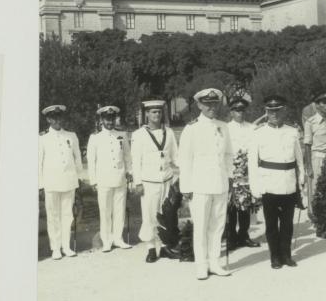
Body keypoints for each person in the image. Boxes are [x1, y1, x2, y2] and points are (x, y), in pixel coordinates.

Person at [178, 88, 234, 280]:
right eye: (207, 104)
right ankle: (201, 265)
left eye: (214, 103)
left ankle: (215, 262)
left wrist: (230, 178)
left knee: (217, 226)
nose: (211, 107)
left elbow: (228, 155)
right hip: (199, 185)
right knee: (201, 226)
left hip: (220, 183)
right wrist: (186, 188)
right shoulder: (191, 129)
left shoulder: (223, 126)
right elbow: (185, 160)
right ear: (199, 105)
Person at [248, 95, 305, 269]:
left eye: (277, 111)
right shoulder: (258, 133)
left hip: (288, 183)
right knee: (271, 225)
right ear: (266, 112)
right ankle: (275, 257)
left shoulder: (292, 132)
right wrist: (255, 188)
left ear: (284, 111)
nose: (274, 114)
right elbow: (252, 163)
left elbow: (299, 159)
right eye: (270, 111)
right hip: (269, 184)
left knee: (287, 224)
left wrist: (301, 180)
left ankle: (286, 255)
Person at [131, 100, 179, 263]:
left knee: (167, 214)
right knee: (150, 216)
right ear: (146, 115)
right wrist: (138, 183)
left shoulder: (170, 132)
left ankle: (165, 247)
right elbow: (136, 161)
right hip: (149, 182)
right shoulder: (138, 135)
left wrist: (182, 174)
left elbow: (175, 157)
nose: (156, 115)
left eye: (159, 112)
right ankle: (151, 248)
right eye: (153, 112)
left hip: (167, 179)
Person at [38, 105, 83, 260]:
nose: (57, 120)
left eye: (59, 117)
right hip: (51, 183)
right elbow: (38, 163)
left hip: (69, 181)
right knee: (53, 216)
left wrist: (79, 179)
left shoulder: (71, 136)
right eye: (54, 117)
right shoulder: (42, 138)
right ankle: (55, 248)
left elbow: (78, 159)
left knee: (67, 215)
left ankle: (66, 246)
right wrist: (40, 185)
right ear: (48, 119)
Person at [87, 106, 133, 252]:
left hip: (120, 178)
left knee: (119, 210)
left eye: (112, 118)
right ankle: (106, 240)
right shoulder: (95, 137)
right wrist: (93, 180)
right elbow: (91, 160)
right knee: (105, 211)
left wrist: (129, 172)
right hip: (103, 180)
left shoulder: (122, 135)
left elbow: (127, 156)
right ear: (101, 120)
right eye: (107, 119)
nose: (110, 121)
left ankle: (118, 238)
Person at [225, 95, 260, 250]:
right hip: (232, 171)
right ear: (231, 112)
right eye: (236, 110)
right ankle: (231, 237)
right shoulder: (225, 128)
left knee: (246, 205)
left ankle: (244, 235)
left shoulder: (252, 128)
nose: (240, 113)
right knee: (232, 206)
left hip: (247, 172)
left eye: (242, 110)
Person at [303, 90, 326, 224]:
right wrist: (309, 167)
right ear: (316, 105)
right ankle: (315, 218)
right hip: (317, 158)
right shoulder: (310, 122)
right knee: (316, 189)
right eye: (323, 103)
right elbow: (307, 145)